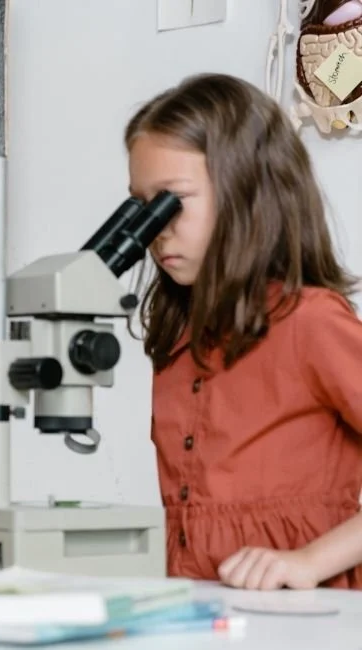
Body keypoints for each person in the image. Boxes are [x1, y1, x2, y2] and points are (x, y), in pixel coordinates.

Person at [126, 73, 362, 590]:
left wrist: (309, 561)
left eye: (172, 201)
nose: (154, 228)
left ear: (248, 192)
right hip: (204, 608)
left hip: (309, 618)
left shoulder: (311, 323)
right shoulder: (178, 339)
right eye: (142, 207)